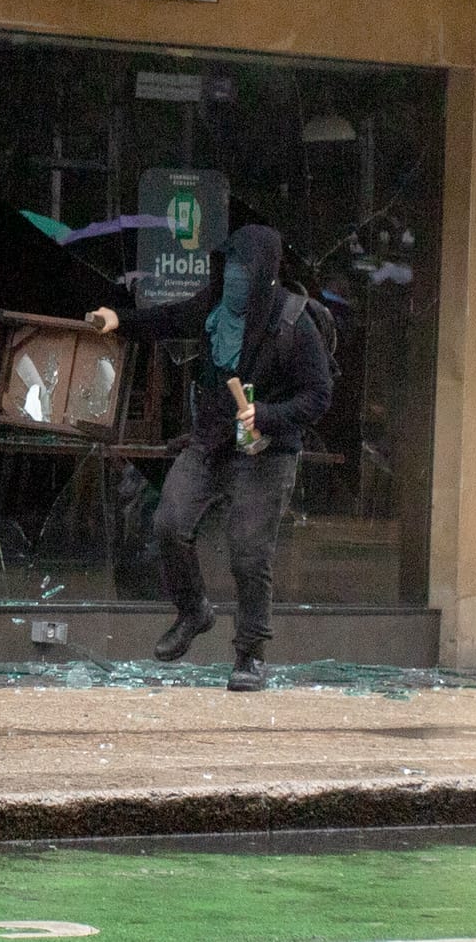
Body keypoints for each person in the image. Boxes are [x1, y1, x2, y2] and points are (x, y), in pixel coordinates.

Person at [86, 224, 332, 692]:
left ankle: (250, 655)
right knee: (168, 523)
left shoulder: (292, 324)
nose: (236, 278)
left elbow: (319, 396)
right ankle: (193, 610)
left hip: (266, 450)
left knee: (248, 553)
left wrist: (269, 413)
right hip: (211, 441)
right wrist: (119, 319)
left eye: (245, 270)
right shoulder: (214, 309)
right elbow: (169, 319)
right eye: (230, 268)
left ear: (265, 274)